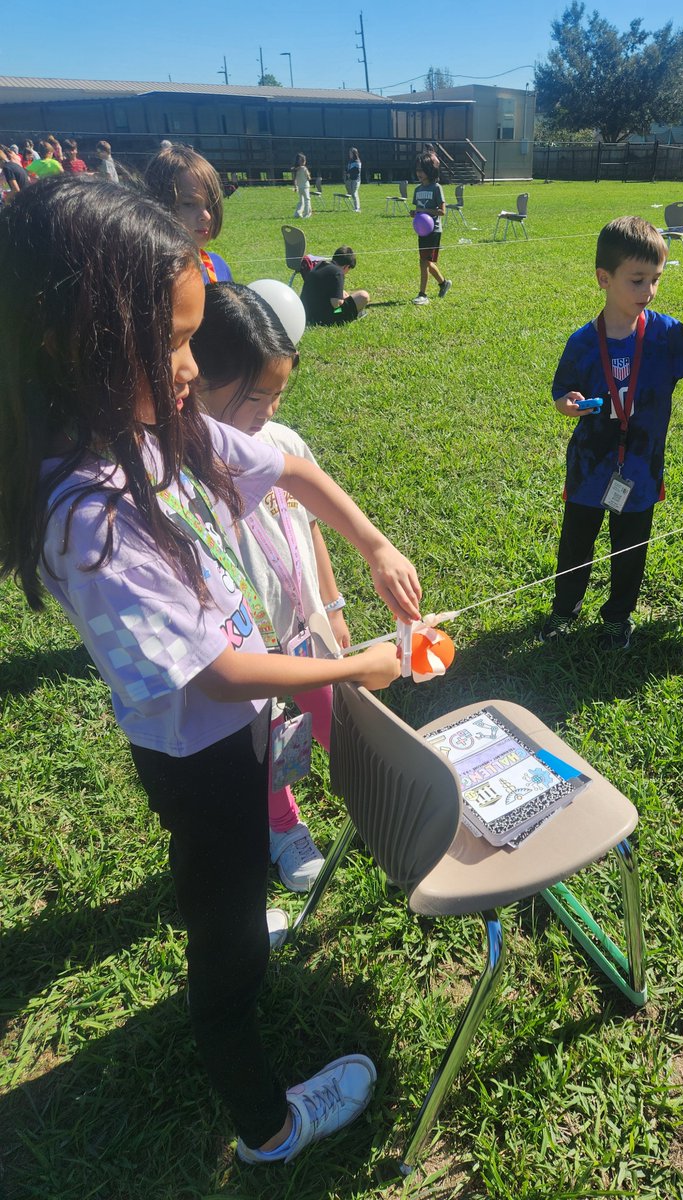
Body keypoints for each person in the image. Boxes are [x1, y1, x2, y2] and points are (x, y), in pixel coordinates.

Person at [0, 175, 423, 1165]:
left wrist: (367, 540)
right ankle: (265, 1121)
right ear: (89, 345)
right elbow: (217, 672)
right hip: (197, 756)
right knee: (224, 916)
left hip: (231, 739)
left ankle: (233, 941)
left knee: (227, 884)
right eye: (178, 342)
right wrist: (349, 667)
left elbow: (277, 460)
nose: (194, 366)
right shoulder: (86, 511)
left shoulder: (145, 421)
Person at [540, 216, 683, 650]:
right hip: (590, 468)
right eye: (637, 280)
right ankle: (564, 609)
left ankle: (618, 616)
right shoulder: (582, 342)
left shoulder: (665, 334)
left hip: (641, 469)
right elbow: (561, 392)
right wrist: (567, 404)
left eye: (655, 280)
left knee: (630, 548)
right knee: (576, 542)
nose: (647, 291)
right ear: (603, 278)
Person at [191, 281, 349, 892]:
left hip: (305, 627)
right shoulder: (184, 476)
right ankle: (282, 825)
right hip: (248, 648)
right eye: (261, 396)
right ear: (201, 380)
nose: (273, 410)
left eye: (280, 395)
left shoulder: (282, 446)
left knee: (341, 719)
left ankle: (373, 794)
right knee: (264, 745)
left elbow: (311, 530)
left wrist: (331, 606)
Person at [145, 143, 232, 283]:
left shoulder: (218, 267)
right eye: (189, 204)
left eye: (210, 206)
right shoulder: (150, 277)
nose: (206, 216)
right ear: (158, 205)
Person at [410, 153, 451, 305]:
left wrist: (424, 211)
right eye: (417, 170)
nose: (418, 173)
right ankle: (443, 283)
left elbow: (442, 211)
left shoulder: (436, 188)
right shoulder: (417, 190)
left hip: (434, 231)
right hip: (422, 231)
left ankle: (423, 295)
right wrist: (415, 213)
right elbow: (419, 211)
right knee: (426, 262)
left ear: (430, 170)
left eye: (422, 170)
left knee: (423, 262)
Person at [300, 245, 369, 326]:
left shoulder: (320, 265)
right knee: (363, 295)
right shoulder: (338, 272)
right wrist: (344, 303)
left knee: (343, 293)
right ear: (346, 266)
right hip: (323, 317)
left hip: (306, 313)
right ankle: (353, 314)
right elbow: (336, 304)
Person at [292, 152, 311, 219]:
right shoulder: (304, 168)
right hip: (305, 186)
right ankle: (307, 214)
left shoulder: (295, 169)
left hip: (299, 187)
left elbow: (294, 179)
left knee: (301, 201)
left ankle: (297, 213)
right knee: (307, 200)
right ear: (304, 161)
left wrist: (295, 186)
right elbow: (308, 177)